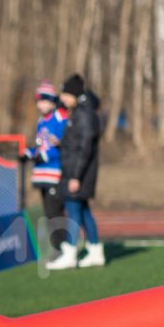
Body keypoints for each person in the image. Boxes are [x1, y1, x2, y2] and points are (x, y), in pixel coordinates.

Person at [47, 74, 105, 270]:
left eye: (65, 94)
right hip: (77, 171)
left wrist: (75, 176)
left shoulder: (84, 114)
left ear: (73, 94)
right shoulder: (79, 112)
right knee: (84, 211)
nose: (62, 98)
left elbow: (84, 147)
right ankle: (96, 250)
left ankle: (70, 253)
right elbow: (77, 143)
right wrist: (62, 143)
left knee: (73, 211)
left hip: (78, 173)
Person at [22, 81, 69, 256]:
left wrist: (46, 156)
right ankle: (58, 247)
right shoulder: (41, 121)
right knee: (49, 213)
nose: (39, 104)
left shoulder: (59, 118)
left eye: (43, 100)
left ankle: (64, 248)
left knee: (55, 212)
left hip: (55, 173)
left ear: (51, 101)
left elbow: (62, 146)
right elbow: (41, 145)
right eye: (38, 100)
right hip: (42, 174)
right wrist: (29, 153)